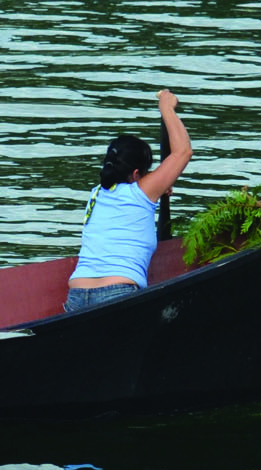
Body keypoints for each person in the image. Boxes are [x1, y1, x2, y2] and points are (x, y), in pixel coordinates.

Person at [66, 90, 193, 313]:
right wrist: (166, 108)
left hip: (76, 295)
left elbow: (131, 189)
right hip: (117, 293)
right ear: (136, 174)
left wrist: (157, 183)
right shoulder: (141, 192)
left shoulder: (96, 193)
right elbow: (183, 152)